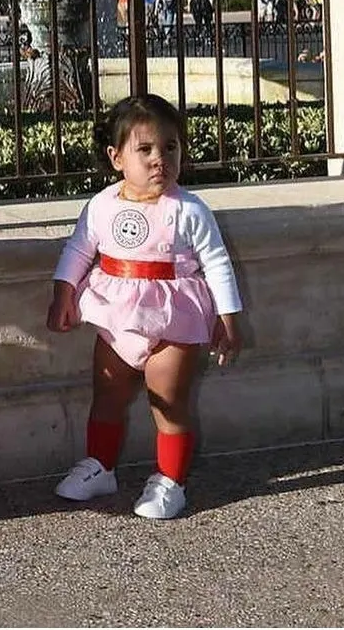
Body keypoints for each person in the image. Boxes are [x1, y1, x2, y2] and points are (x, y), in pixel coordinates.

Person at [46, 93, 242, 521]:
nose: (160, 160)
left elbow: (217, 263)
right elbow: (79, 250)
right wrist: (63, 291)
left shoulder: (190, 209)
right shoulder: (102, 204)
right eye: (146, 149)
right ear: (116, 157)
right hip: (116, 318)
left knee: (166, 400)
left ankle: (170, 480)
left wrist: (228, 318)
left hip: (174, 319)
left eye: (170, 148)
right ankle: (100, 465)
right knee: (108, 393)